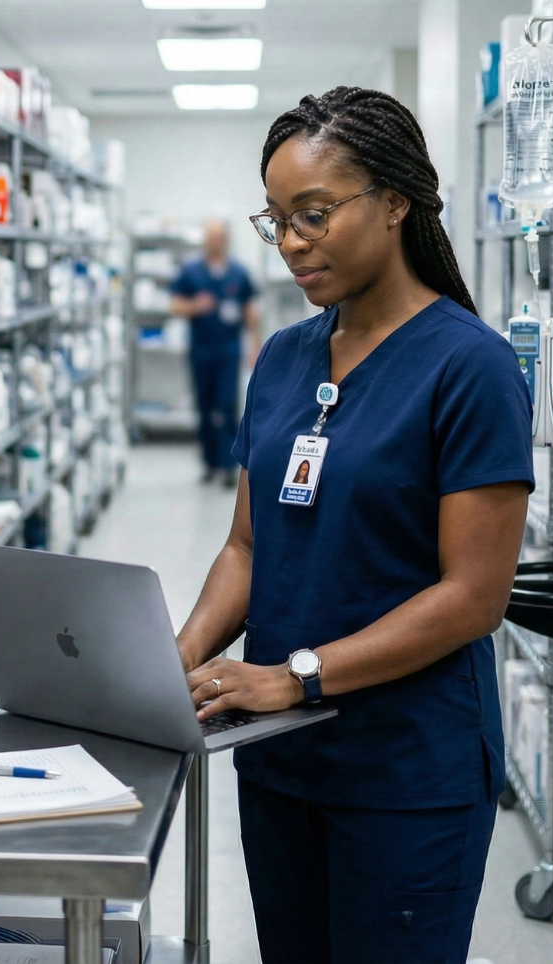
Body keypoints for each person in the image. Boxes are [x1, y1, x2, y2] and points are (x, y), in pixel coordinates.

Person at [174, 87, 533, 964]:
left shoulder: (468, 366)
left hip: (407, 773)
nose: (293, 241)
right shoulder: (285, 357)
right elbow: (247, 546)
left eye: (315, 214)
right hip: (281, 765)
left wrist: (295, 676)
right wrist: (168, 665)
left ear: (397, 202)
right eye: (277, 220)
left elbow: (473, 597)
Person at [169, 219, 260, 488]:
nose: (216, 240)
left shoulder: (238, 272)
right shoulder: (191, 271)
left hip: (228, 352)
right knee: (205, 407)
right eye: (212, 236)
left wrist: (254, 347)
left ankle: (230, 465)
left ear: (227, 239)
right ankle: (210, 463)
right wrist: (196, 306)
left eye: (221, 236)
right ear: (205, 239)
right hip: (201, 351)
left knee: (227, 405)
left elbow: (250, 314)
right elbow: (175, 306)